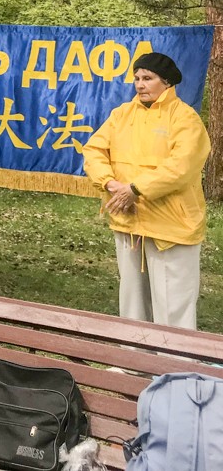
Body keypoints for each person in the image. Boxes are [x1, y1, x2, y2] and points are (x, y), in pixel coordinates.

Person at [82, 52, 210, 330]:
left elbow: (181, 167)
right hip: (128, 220)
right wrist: (110, 183)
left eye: (148, 78)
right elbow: (93, 150)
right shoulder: (121, 114)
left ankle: (174, 364)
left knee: (172, 304)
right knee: (132, 301)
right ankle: (132, 360)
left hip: (171, 226)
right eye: (137, 78)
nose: (140, 84)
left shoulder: (185, 118)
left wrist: (136, 189)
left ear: (166, 82)